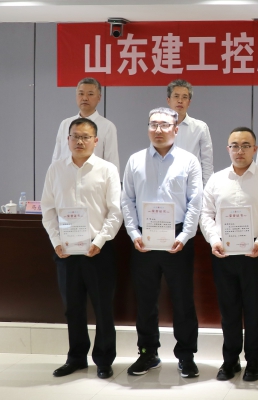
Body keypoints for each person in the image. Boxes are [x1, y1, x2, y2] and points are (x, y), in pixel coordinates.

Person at [120, 107, 203, 378]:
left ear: (175, 130)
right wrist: (134, 233)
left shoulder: (189, 161)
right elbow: (127, 200)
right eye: (153, 124)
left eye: (164, 125)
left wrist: (184, 235)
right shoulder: (135, 160)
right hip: (144, 239)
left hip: (178, 238)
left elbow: (195, 202)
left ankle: (186, 355)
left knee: (182, 299)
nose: (158, 130)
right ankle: (148, 353)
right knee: (145, 300)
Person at [200, 127, 258, 382]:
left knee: (255, 310)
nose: (240, 151)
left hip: (256, 255)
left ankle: (254, 361)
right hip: (224, 255)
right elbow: (206, 214)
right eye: (235, 146)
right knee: (229, 310)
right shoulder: (216, 180)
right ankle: (230, 360)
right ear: (228, 149)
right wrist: (214, 240)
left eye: (246, 145)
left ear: (255, 149)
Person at [41, 118, 122, 379]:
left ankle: (104, 359)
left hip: (98, 251)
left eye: (86, 137)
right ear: (67, 140)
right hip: (66, 252)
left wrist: (99, 241)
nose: (80, 141)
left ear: (96, 141)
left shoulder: (107, 170)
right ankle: (76, 357)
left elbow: (115, 212)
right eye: (75, 136)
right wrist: (56, 241)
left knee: (103, 308)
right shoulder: (56, 169)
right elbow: (48, 210)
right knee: (72, 308)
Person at [52, 77, 119, 171]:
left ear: (99, 98)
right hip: (67, 178)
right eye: (81, 94)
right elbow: (56, 158)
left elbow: (112, 161)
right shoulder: (65, 124)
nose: (84, 98)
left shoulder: (107, 126)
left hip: (94, 178)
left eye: (90, 94)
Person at [167, 79, 214, 185]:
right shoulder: (160, 127)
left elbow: (207, 164)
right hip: (166, 185)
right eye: (176, 96)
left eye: (184, 97)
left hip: (192, 185)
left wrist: (208, 190)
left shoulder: (200, 127)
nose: (180, 101)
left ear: (189, 102)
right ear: (168, 100)